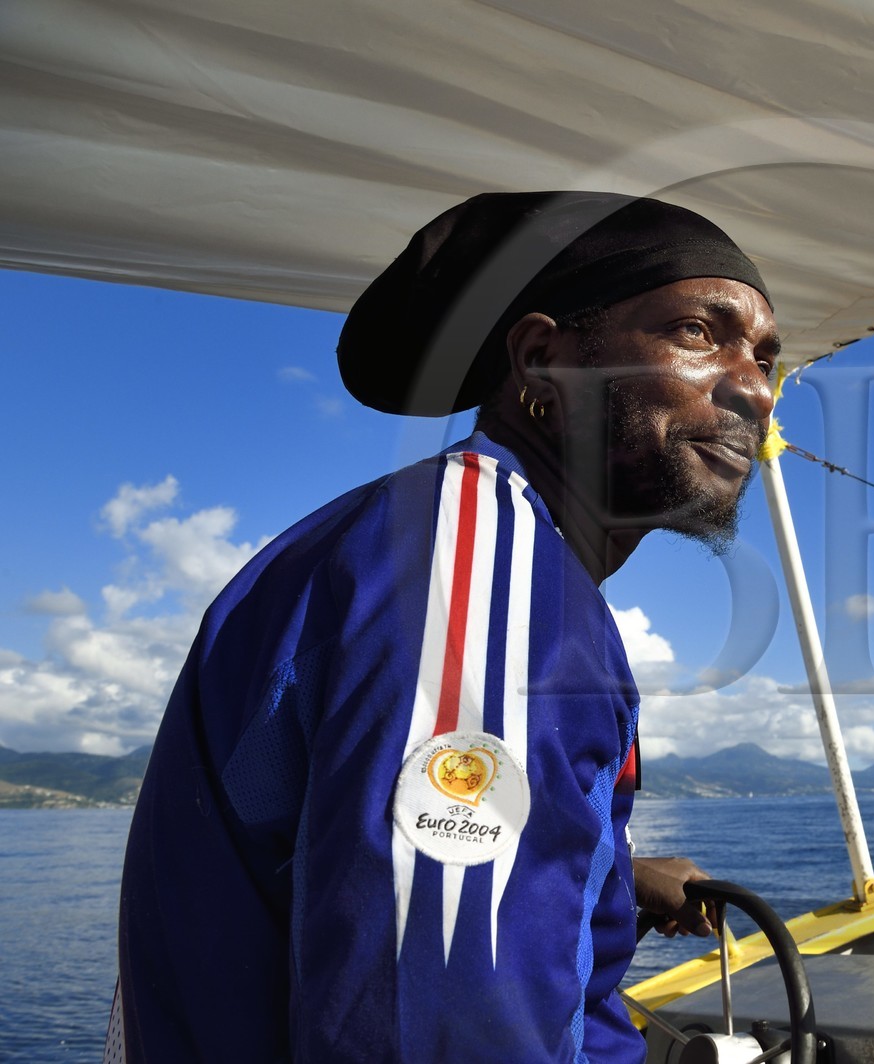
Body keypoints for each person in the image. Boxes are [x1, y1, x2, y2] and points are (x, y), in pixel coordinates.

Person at [107, 192, 780, 1062]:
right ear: (542, 360)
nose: (754, 387)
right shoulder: (477, 563)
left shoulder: (459, 548)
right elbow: (438, 1025)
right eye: (697, 332)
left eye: (765, 357)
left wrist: (616, 878)